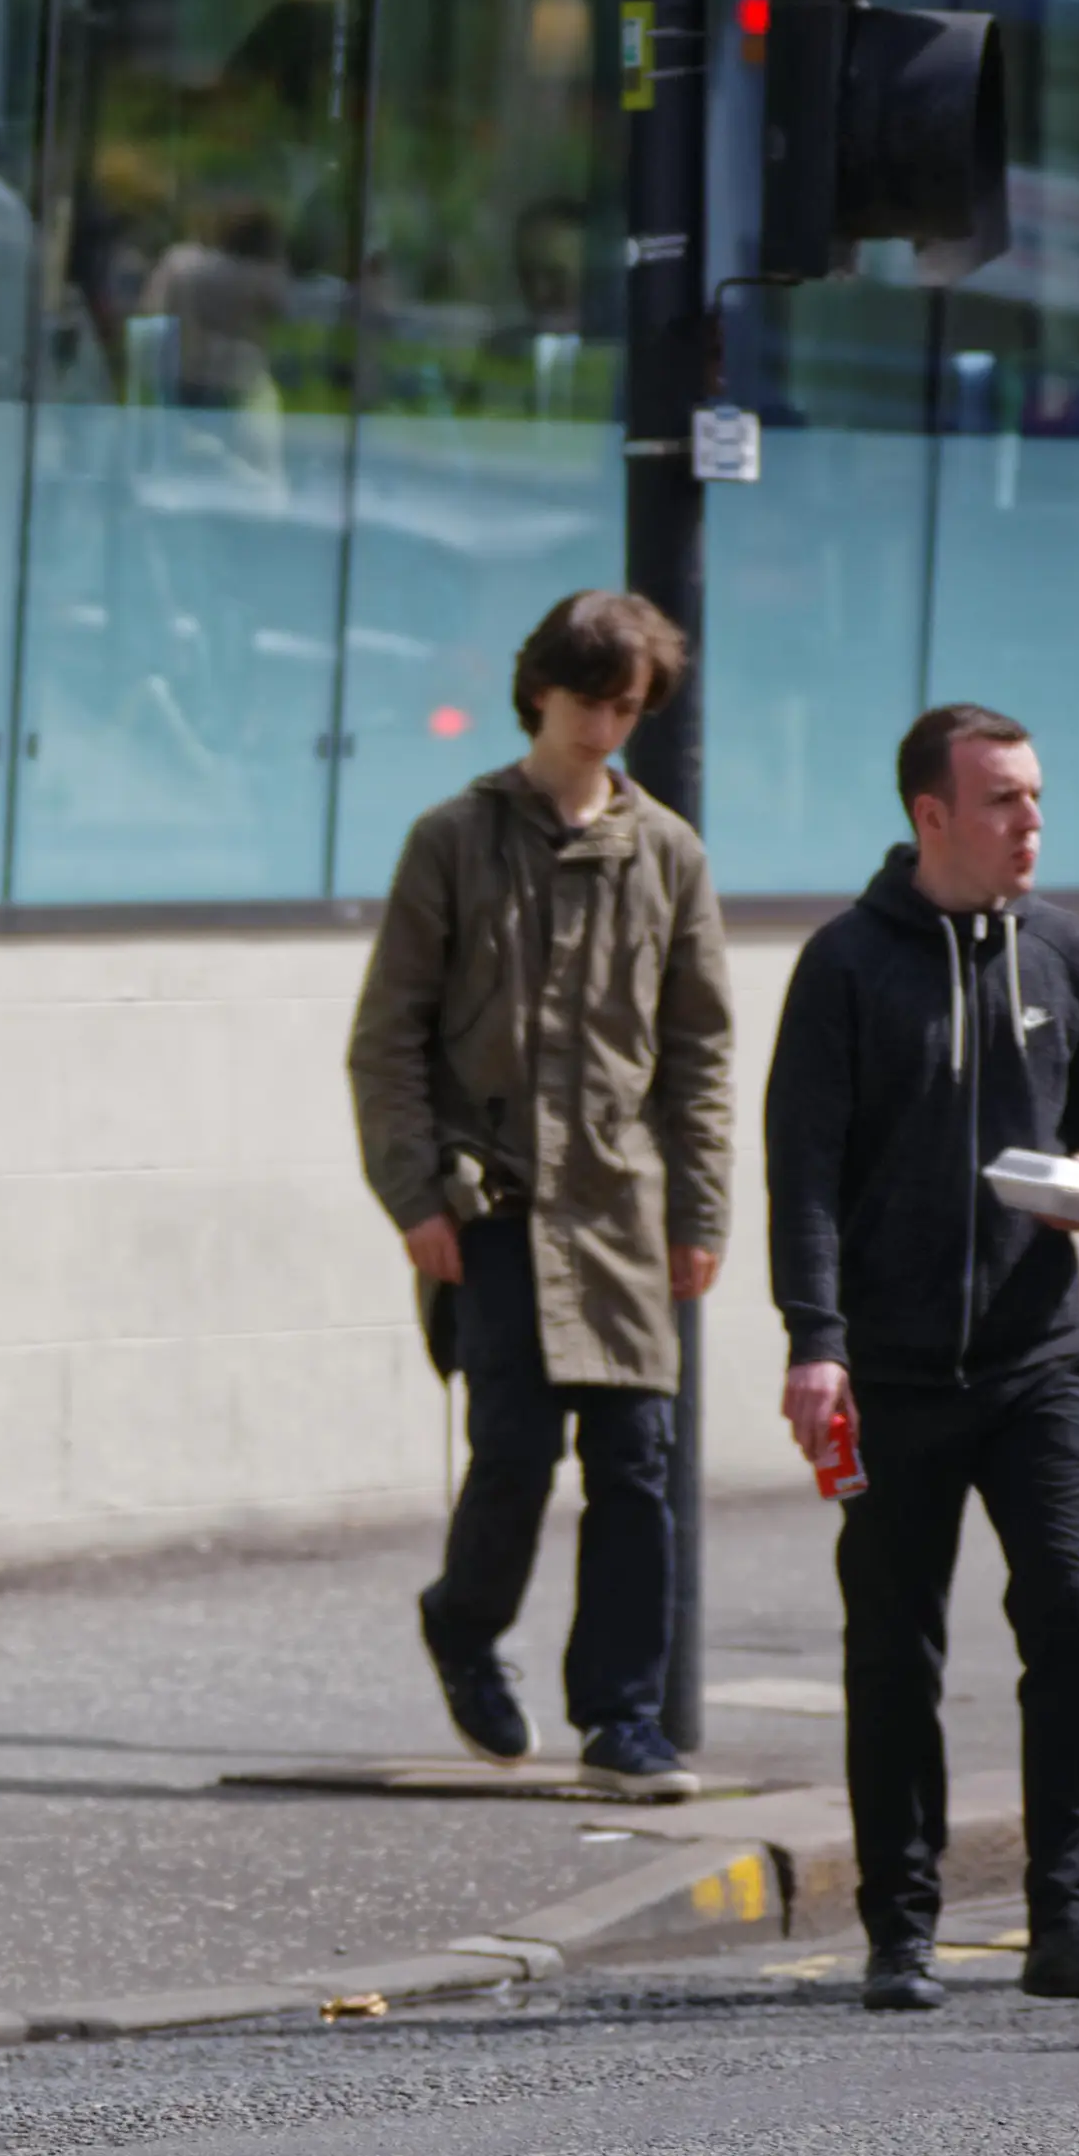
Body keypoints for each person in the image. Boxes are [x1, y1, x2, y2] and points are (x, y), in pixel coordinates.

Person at [764, 703, 1079, 2008]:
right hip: (890, 1374)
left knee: (1070, 1614)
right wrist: (817, 1343)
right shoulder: (843, 964)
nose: (1031, 820)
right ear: (931, 815)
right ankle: (902, 1931)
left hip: (1041, 1361)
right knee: (893, 1650)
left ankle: (1071, 1920)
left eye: (1035, 796)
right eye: (1003, 800)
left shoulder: (1069, 952)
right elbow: (803, 1173)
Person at [347, 588, 735, 1803]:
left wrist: (702, 1213)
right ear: (538, 693)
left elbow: (700, 1052)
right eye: (586, 701)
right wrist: (416, 1195)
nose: (603, 728)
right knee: (513, 1453)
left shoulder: (668, 853)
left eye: (626, 707)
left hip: (621, 1215)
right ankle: (464, 1623)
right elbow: (387, 1039)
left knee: (636, 1464)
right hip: (494, 1206)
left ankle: (622, 1719)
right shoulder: (453, 840)